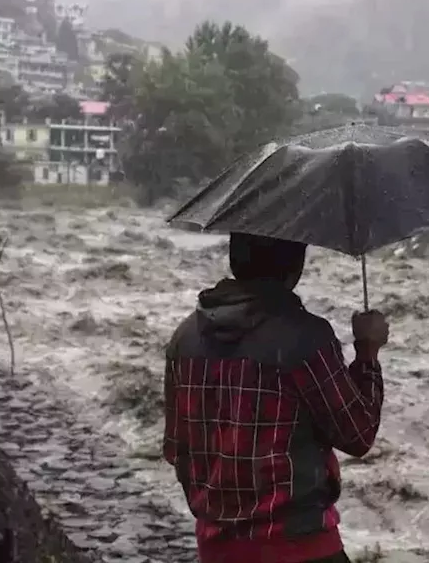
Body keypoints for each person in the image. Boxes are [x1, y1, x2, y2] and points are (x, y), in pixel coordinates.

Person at [163, 233, 388, 563]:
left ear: (235, 259)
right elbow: (358, 434)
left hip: (217, 550)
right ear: (295, 265)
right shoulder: (305, 338)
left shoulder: (185, 338)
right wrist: (367, 353)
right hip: (301, 548)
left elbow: (175, 448)